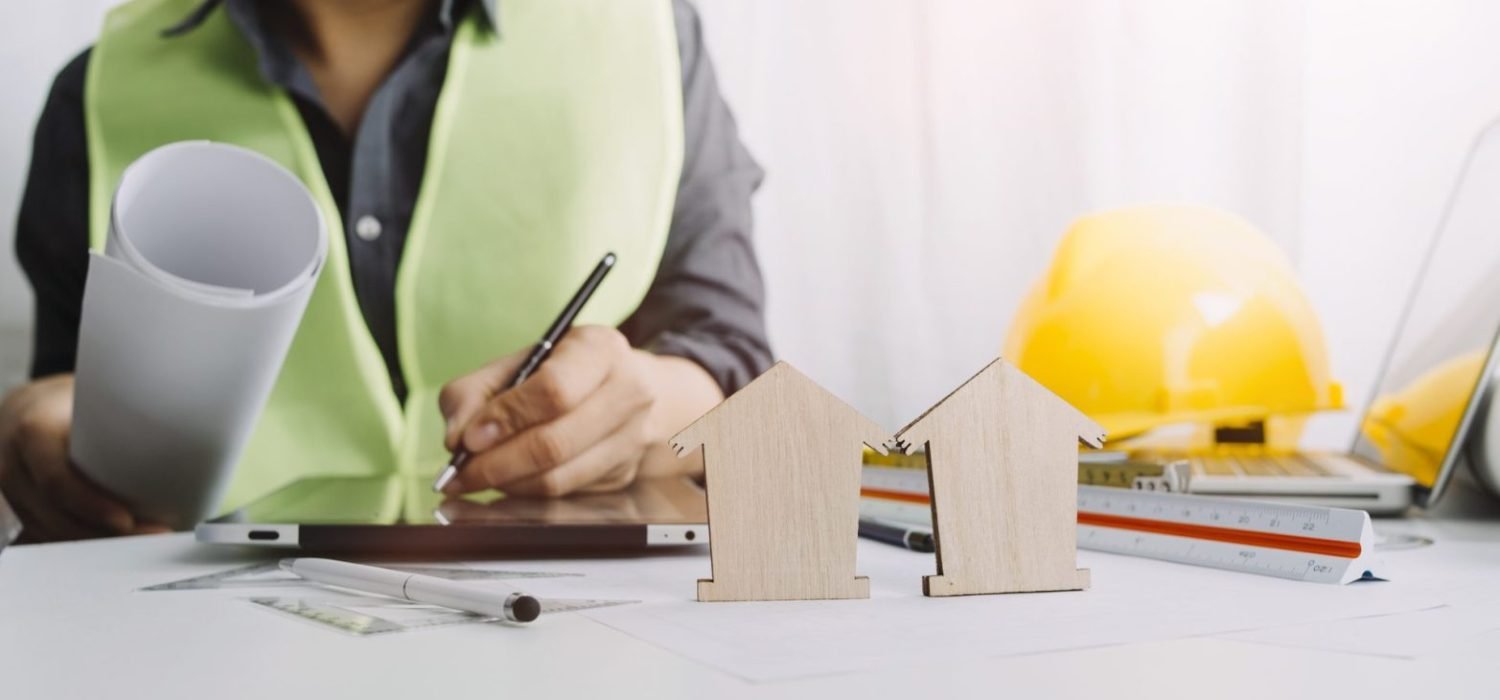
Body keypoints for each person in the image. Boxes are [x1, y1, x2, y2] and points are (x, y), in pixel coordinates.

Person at [0, 0, 771, 542]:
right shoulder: (100, 91)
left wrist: (648, 408)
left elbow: (738, 378)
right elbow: (70, 398)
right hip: (222, 642)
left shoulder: (643, 36)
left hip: (576, 634)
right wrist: (47, 428)